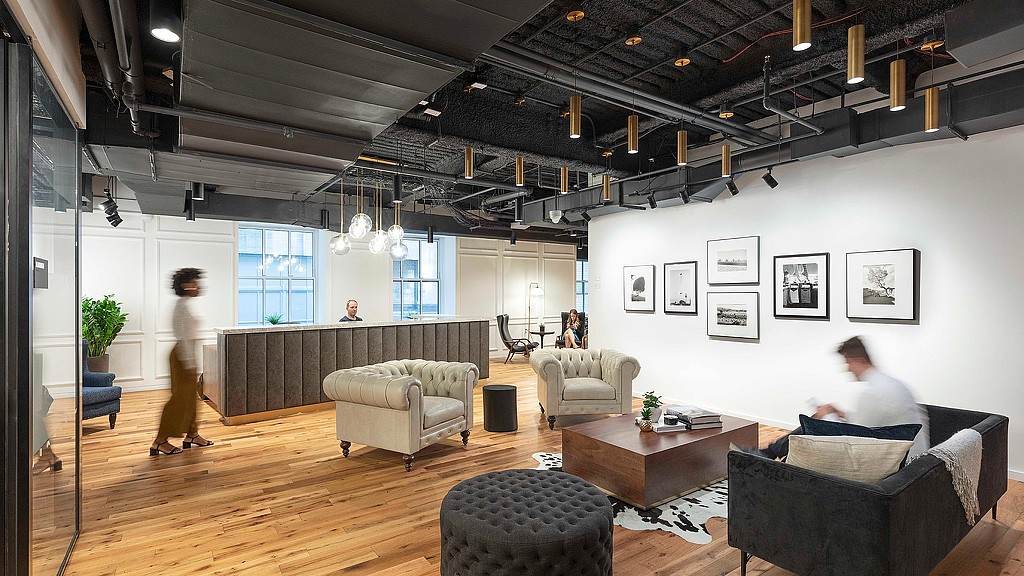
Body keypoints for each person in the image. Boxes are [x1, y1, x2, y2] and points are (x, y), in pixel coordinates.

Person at [761, 336, 929, 460]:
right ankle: (771, 453)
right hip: (911, 457)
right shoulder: (890, 383)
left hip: (895, 463)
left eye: (847, 362)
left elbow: (855, 440)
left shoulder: (872, 393)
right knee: (821, 422)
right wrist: (841, 414)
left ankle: (770, 455)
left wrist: (823, 419)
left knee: (815, 425)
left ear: (859, 360)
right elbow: (872, 425)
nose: (846, 369)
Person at [151, 268, 213, 456]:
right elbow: (184, 337)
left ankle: (192, 434)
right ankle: (160, 441)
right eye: (196, 282)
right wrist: (189, 364)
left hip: (186, 355)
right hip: (181, 356)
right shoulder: (182, 306)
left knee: (191, 398)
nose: (199, 286)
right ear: (187, 285)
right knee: (178, 400)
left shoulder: (185, 304)